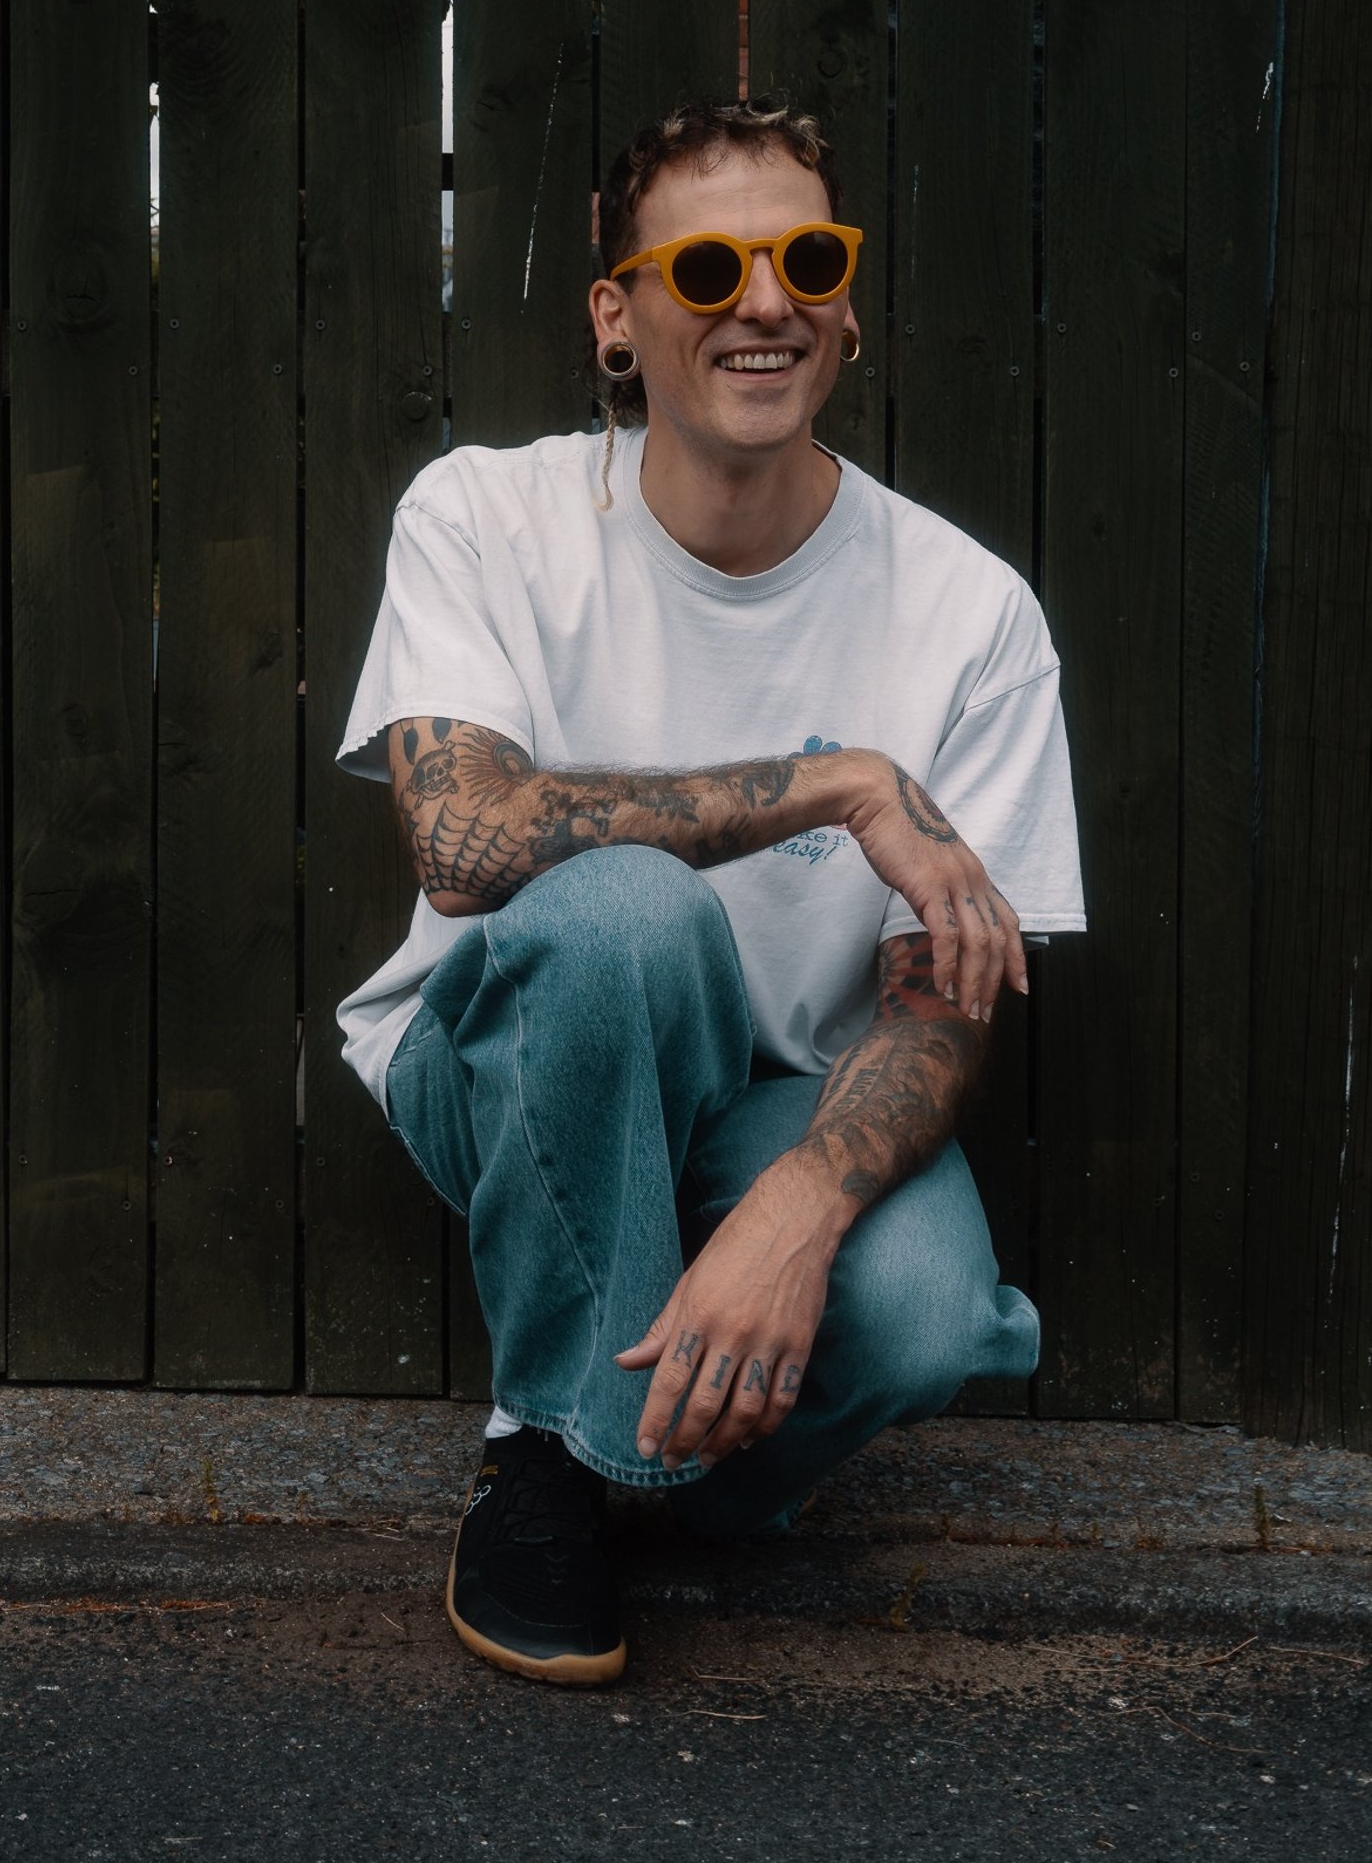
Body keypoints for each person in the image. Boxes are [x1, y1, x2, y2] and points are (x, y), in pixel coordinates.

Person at [332, 93, 1086, 1686]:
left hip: (774, 1094)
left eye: (807, 256)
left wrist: (799, 1214)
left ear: (848, 302)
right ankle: (555, 1452)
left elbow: (944, 987)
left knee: (934, 1312)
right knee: (625, 913)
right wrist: (833, 780)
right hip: (500, 1057)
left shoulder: (972, 610)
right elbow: (463, 845)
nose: (765, 302)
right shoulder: (485, 515)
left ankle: (620, 1479)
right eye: (706, 269)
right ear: (618, 315)